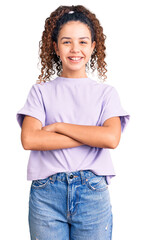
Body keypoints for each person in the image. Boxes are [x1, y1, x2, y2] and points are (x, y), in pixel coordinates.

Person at [16, 5, 130, 240]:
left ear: (93, 47)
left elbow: (110, 138)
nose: (75, 49)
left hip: (92, 192)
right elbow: (29, 139)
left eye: (83, 42)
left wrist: (58, 126)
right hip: (47, 193)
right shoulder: (40, 92)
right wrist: (91, 136)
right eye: (67, 42)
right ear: (56, 47)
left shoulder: (106, 94)